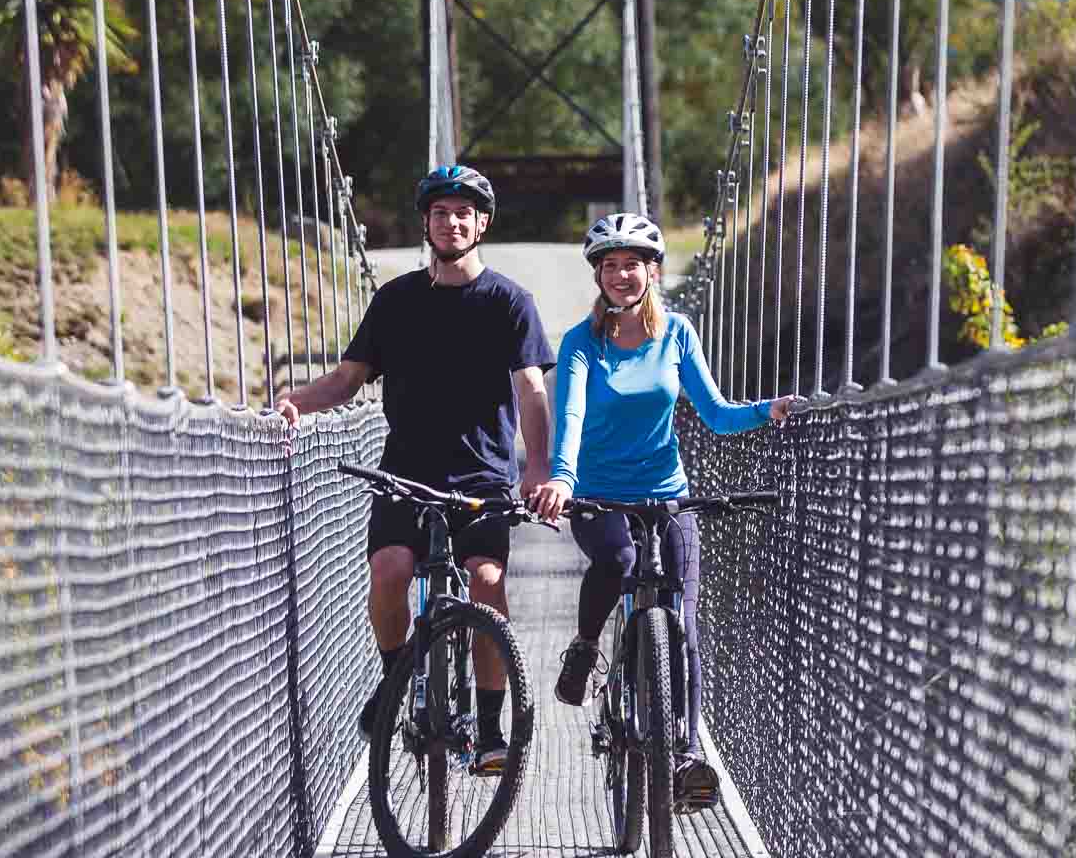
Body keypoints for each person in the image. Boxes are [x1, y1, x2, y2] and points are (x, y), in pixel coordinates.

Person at [277, 163, 554, 774]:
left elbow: (532, 390)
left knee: (484, 581)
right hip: (404, 472)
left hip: (480, 476)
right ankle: (395, 676)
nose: (451, 222)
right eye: (439, 213)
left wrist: (537, 467)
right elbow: (349, 380)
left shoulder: (510, 301)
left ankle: (488, 727)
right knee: (391, 568)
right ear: (425, 223)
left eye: (463, 213)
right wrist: (296, 401)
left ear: (481, 224)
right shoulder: (395, 300)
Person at [524, 212, 797, 809]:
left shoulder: (677, 333)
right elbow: (567, 418)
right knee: (618, 558)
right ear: (599, 275)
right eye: (611, 265)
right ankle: (588, 647)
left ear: (653, 271)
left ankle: (689, 753)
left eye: (634, 264)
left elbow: (717, 413)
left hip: (666, 492)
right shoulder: (579, 344)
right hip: (597, 494)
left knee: (682, 622)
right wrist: (563, 479)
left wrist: (766, 411)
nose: (623, 274)